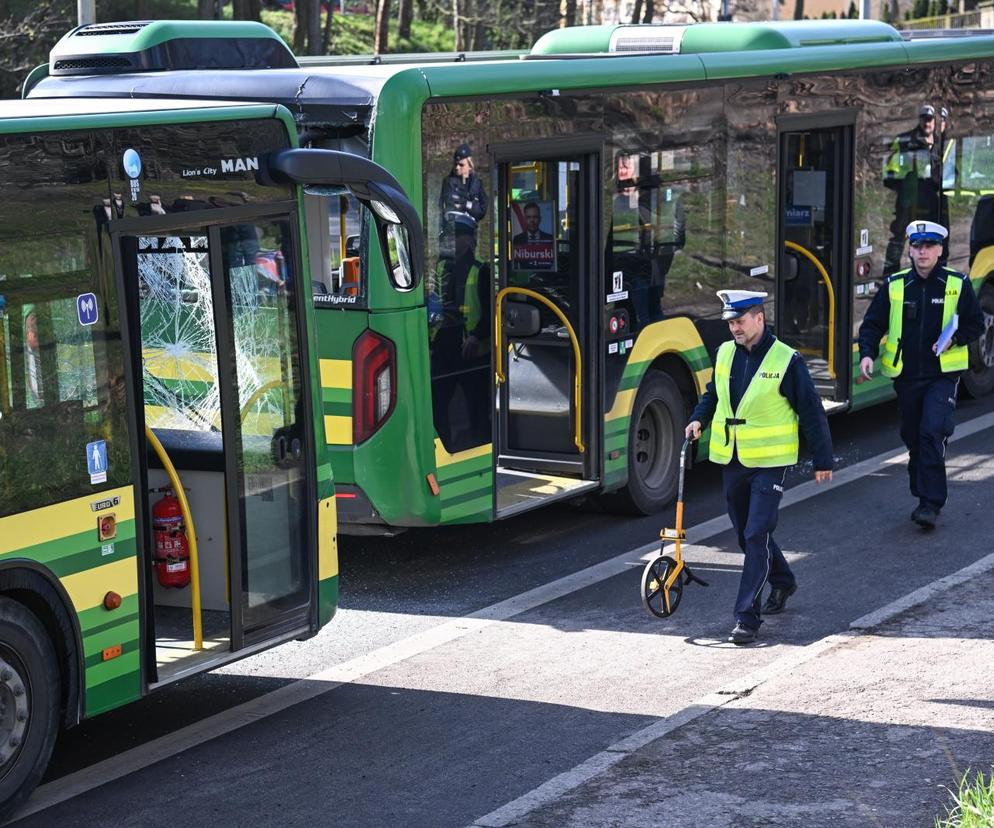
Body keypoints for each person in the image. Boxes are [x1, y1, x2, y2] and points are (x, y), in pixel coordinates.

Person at [686, 290, 834, 645]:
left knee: (755, 534)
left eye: (739, 321)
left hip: (771, 462)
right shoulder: (724, 353)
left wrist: (822, 459)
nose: (734, 328)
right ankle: (782, 580)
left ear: (759, 318)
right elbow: (713, 394)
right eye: (730, 323)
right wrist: (698, 419)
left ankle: (746, 618)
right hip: (733, 458)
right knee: (745, 533)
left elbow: (811, 411)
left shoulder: (787, 360)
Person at [858, 220, 985, 529]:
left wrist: (953, 339)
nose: (923, 252)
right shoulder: (896, 285)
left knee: (932, 431)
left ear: (940, 250)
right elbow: (873, 324)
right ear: (910, 251)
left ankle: (930, 502)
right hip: (907, 376)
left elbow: (976, 325)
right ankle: (922, 490)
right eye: (917, 246)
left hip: (942, 375)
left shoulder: (958, 284)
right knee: (914, 437)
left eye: (929, 246)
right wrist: (866, 354)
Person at [429, 214, 491, 450]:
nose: (452, 241)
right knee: (437, 402)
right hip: (445, 345)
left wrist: (476, 335)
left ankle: (481, 448)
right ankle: (443, 447)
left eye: (456, 236)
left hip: (471, 351)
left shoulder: (480, 271)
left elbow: (489, 312)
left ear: (468, 240)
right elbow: (435, 301)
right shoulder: (442, 266)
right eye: (449, 236)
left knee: (476, 405)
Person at [882, 104, 945, 273]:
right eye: (924, 119)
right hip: (907, 199)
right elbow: (889, 173)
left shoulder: (940, 143)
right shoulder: (905, 141)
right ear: (920, 120)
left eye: (930, 120)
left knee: (926, 239)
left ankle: (920, 272)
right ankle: (890, 272)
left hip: (930, 200)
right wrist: (902, 185)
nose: (927, 123)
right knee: (899, 236)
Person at [438, 143, 487, 255]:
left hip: (468, 233)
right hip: (450, 231)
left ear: (470, 166)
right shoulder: (448, 182)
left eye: (461, 165)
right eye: (455, 164)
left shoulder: (477, 184)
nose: (457, 167)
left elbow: (482, 210)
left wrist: (466, 204)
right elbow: (449, 205)